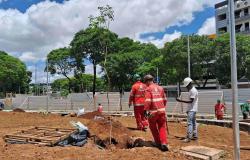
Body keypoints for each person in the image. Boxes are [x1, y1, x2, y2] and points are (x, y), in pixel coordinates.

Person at [144, 74, 168, 151]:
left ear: (147, 81)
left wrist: (145, 110)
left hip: (153, 112)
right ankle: (164, 143)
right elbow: (165, 99)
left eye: (145, 82)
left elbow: (148, 101)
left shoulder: (148, 89)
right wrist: (162, 107)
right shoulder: (160, 88)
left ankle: (158, 142)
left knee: (153, 127)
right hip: (162, 111)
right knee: (162, 127)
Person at [176, 77, 198, 143]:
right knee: (193, 123)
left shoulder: (193, 91)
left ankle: (188, 138)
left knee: (189, 123)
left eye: (187, 86)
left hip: (192, 109)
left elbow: (191, 101)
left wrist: (180, 100)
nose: (186, 87)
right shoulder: (191, 90)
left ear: (189, 84)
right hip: (192, 109)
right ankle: (195, 136)